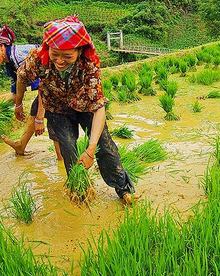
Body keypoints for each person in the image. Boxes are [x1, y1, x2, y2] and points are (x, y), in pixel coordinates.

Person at [14, 16, 136, 204]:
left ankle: (124, 189)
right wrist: (19, 104)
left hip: (85, 106)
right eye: (55, 54)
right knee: (68, 146)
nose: (59, 61)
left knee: (105, 145)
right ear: (48, 48)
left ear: (79, 51)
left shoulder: (89, 64)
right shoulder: (38, 58)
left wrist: (90, 149)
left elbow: (99, 107)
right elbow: (22, 77)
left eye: (67, 56)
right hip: (57, 108)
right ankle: (79, 188)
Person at [0, 26, 62, 160]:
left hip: (58, 82)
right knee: (35, 109)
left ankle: (62, 161)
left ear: (1, 47)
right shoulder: (9, 63)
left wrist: (40, 118)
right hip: (50, 85)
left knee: (54, 117)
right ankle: (21, 145)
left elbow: (44, 87)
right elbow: (16, 92)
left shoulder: (18, 57)